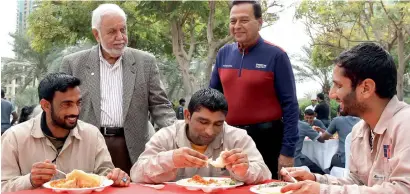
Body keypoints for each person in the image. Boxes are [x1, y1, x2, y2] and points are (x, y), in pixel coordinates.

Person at [60, 4, 176, 174]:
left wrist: (176, 136)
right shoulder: (73, 64)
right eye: (112, 31)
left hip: (134, 149)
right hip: (89, 149)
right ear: (96, 34)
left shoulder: (145, 62)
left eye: (123, 29)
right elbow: (62, 108)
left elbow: (160, 107)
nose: (120, 37)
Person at [280, 43, 410, 193]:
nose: (332, 94)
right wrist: (316, 180)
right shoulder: (359, 131)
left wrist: (323, 191)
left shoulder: (405, 124)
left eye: (338, 86)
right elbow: (359, 182)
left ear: (366, 88)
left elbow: (404, 189)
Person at [209, 0, 299, 178]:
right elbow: (211, 98)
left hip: (268, 139)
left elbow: (290, 106)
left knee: (266, 188)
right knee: (228, 187)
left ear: (259, 22)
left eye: (244, 20)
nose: (237, 26)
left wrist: (287, 152)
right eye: (233, 21)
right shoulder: (223, 53)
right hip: (230, 138)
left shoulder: (277, 55)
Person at [1, 73, 130, 192]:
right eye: (67, 104)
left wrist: (120, 178)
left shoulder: (92, 134)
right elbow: (3, 186)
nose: (75, 111)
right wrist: (30, 180)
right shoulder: (14, 138)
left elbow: (107, 176)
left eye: (78, 103)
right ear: (45, 105)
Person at [131, 88, 271, 184]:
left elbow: (266, 174)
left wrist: (245, 171)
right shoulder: (166, 136)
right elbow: (136, 174)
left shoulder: (237, 138)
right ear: (187, 116)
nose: (209, 131)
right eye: (203, 122)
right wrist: (171, 159)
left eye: (218, 124)